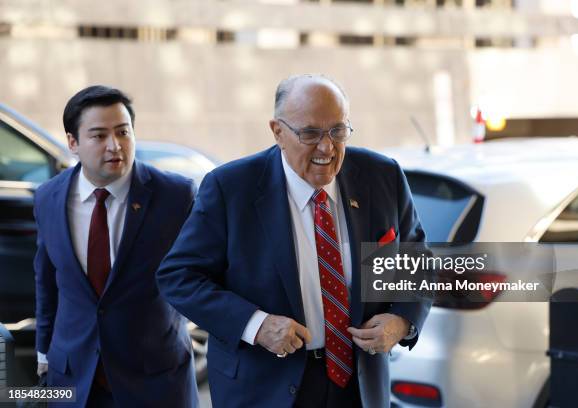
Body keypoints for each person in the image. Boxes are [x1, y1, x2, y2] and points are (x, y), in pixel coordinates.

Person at [157, 74, 431, 407]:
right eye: (311, 133)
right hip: (265, 387)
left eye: (338, 131)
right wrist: (255, 325)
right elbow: (178, 277)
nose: (327, 147)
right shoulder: (231, 188)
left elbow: (418, 262)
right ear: (278, 132)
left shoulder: (381, 175)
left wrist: (402, 321)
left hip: (360, 387)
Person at [34, 85, 199, 407]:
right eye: (98, 136)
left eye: (123, 132)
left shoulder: (176, 196)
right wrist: (44, 353)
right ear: (73, 143)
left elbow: (201, 275)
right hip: (73, 377)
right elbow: (47, 282)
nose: (115, 145)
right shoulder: (48, 198)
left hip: (155, 377)